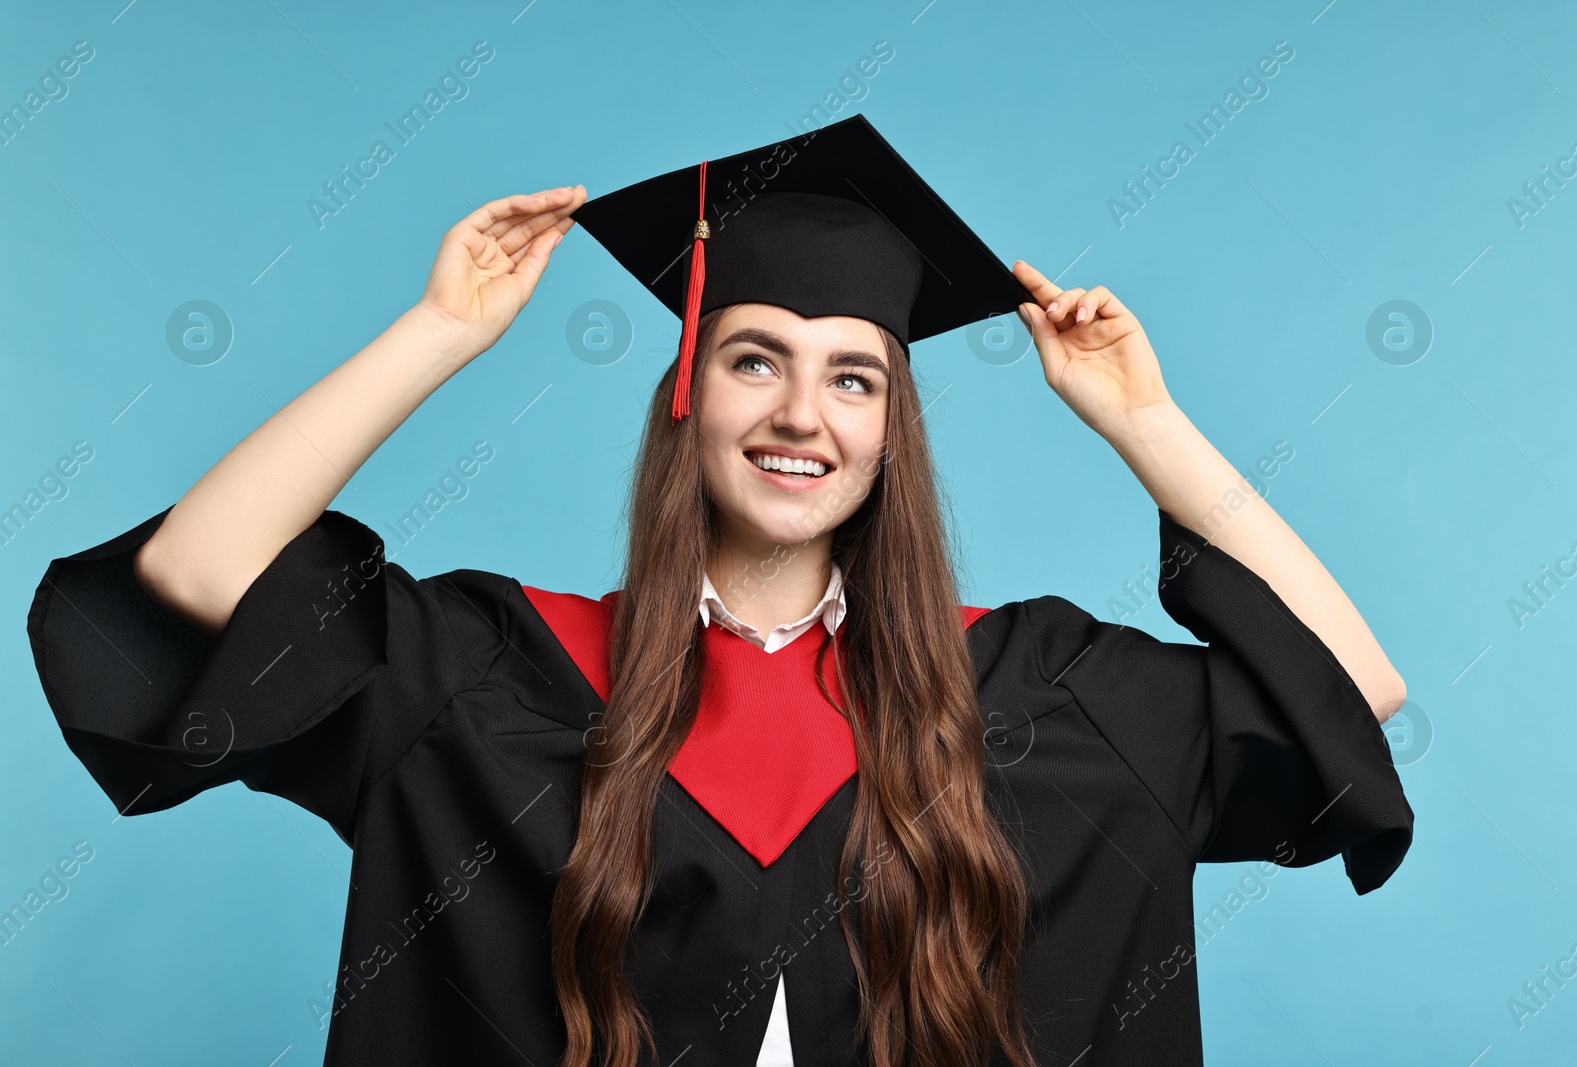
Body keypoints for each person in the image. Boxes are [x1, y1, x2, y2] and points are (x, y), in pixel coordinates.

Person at [27, 115, 1413, 1067]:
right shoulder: (495, 678)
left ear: (890, 434)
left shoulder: (1027, 696)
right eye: (756, 358)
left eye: (853, 377)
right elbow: (197, 575)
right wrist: (438, 331)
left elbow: (1352, 694)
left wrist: (1146, 424)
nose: (803, 411)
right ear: (686, 390)